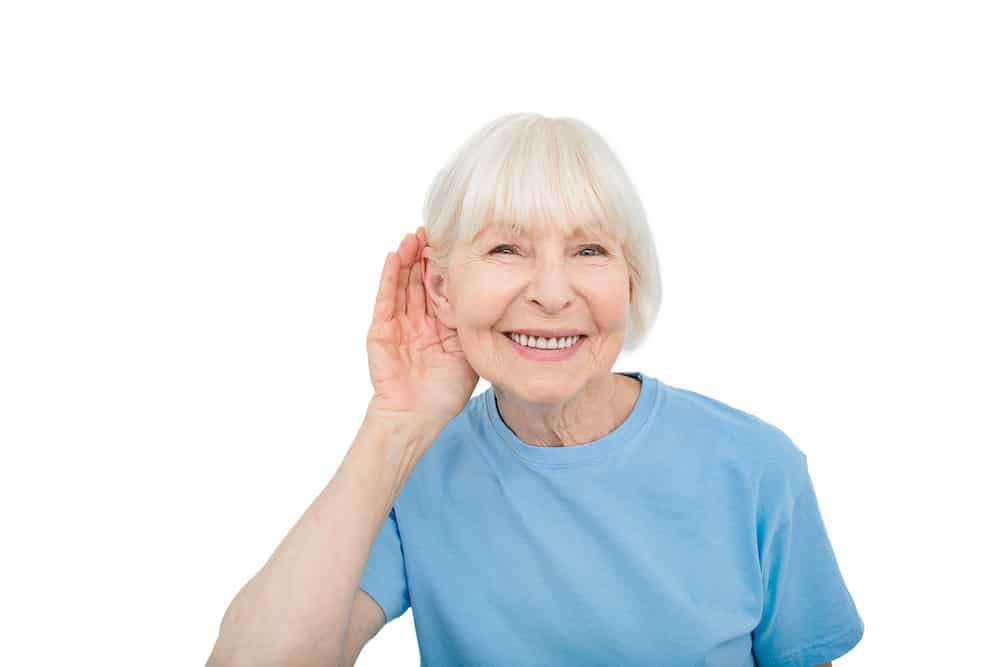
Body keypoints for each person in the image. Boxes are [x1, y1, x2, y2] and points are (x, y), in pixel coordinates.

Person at [207, 113, 864, 667]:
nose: (552, 293)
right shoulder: (415, 470)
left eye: (589, 251)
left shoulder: (755, 468)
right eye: (505, 250)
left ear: (630, 282)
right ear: (442, 288)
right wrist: (395, 423)